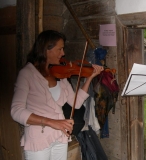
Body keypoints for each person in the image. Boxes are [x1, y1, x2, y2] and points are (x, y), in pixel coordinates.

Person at [11, 30, 104, 160]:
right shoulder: (27, 74)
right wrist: (51, 122)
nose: (63, 53)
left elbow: (75, 103)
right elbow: (16, 111)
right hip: (39, 138)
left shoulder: (61, 75)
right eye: (60, 49)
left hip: (60, 135)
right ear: (46, 49)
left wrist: (90, 77)